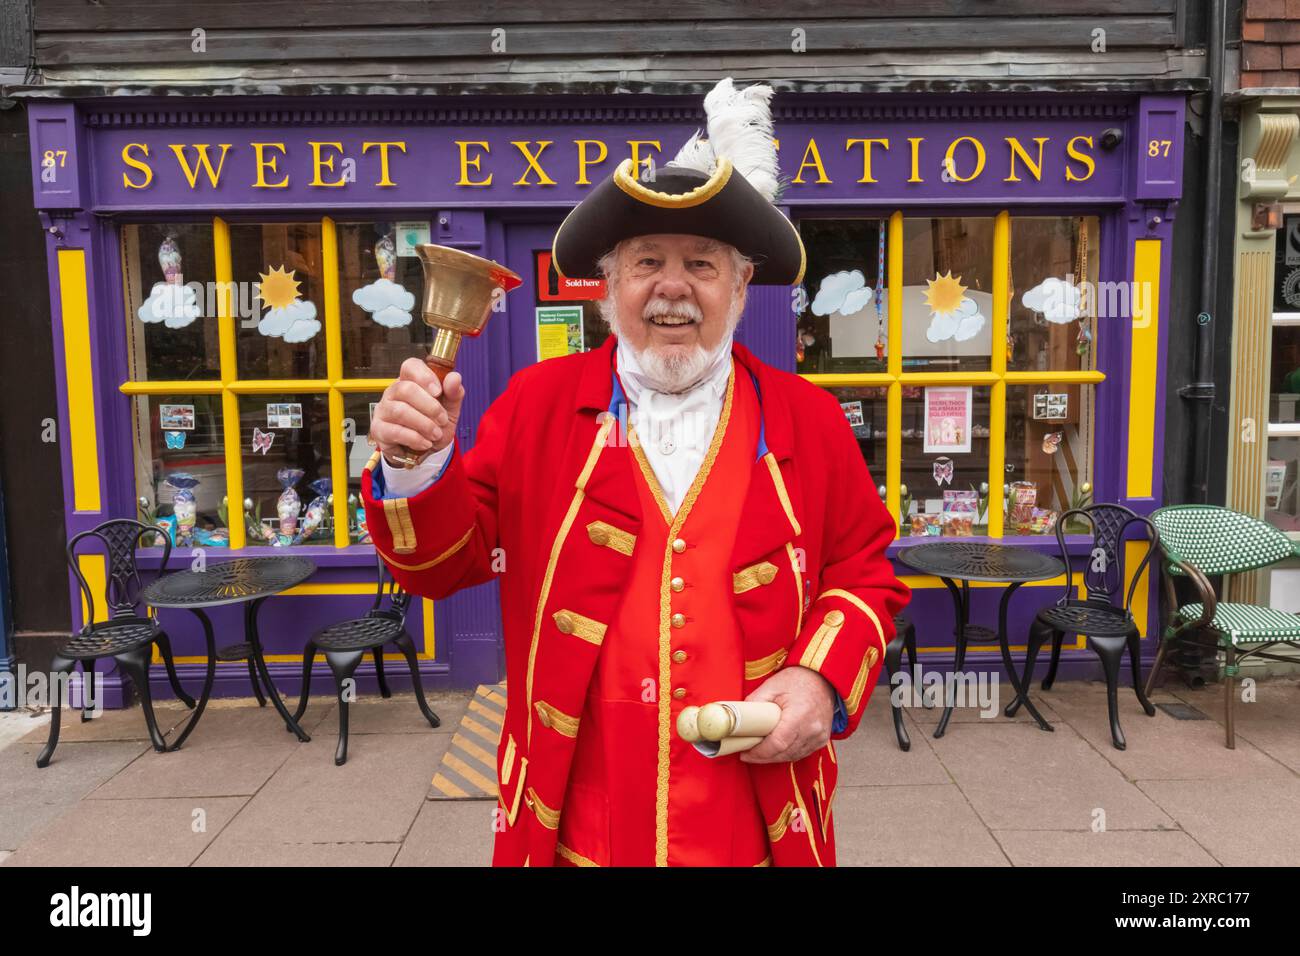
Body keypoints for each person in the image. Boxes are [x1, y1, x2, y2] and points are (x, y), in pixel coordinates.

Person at [363, 77, 910, 867]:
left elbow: (864, 571)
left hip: (755, 817)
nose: (673, 287)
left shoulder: (809, 418)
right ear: (610, 285)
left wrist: (820, 682)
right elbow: (439, 567)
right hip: (579, 822)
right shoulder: (536, 404)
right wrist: (416, 465)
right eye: (647, 261)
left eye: (702, 263)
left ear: (740, 283)